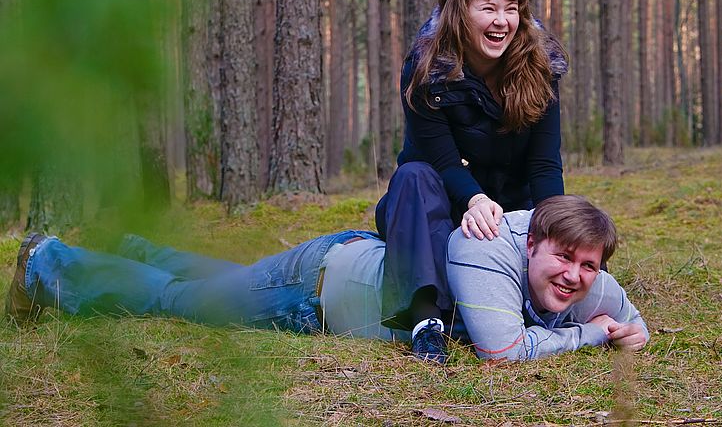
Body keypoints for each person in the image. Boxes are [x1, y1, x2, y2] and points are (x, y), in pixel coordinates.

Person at [6, 196, 648, 362]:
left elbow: (633, 325)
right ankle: (47, 265)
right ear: (530, 241)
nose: (573, 276)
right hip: (314, 294)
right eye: (562, 257)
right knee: (181, 303)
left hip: (338, 268)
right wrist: (591, 337)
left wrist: (619, 327)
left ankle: (134, 247)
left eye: (588, 267)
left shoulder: (588, 278)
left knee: (231, 279)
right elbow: (502, 352)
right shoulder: (488, 253)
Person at [375, 0, 568, 362]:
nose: (502, 21)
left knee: (557, 217)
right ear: (460, 15)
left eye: (511, 10)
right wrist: (475, 202)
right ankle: (426, 322)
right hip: (436, 203)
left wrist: (559, 234)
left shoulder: (539, 69)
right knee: (412, 175)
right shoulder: (425, 69)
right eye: (488, 9)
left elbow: (545, 165)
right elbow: (441, 160)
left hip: (511, 206)